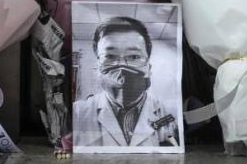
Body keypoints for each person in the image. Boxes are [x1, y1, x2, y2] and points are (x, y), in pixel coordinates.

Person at [74, 16, 179, 147]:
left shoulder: (170, 114)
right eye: (110, 56)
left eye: (134, 56)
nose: (122, 68)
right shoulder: (78, 113)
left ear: (148, 68)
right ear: (97, 67)